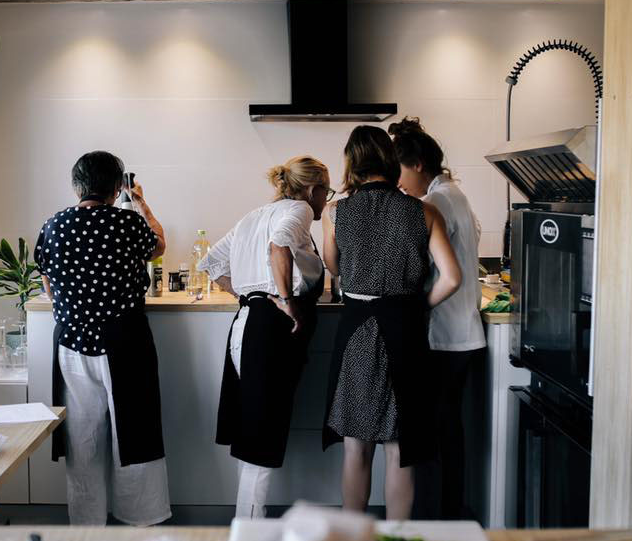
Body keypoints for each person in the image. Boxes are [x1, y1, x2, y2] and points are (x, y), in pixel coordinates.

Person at [321, 126, 462, 520]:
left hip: (357, 334)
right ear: (388, 159)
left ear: (351, 162)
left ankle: (354, 540)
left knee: (356, 445)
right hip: (406, 335)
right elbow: (452, 278)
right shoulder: (424, 210)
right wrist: (418, 308)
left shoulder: (335, 213)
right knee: (401, 449)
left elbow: (336, 269)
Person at [34, 150, 170, 526]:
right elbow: (159, 246)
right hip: (124, 340)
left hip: (73, 344)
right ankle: (138, 523)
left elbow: (47, 284)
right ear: (116, 187)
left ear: (76, 186)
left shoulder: (53, 225)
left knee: (83, 441)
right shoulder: (127, 222)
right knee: (134, 436)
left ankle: (87, 528)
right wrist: (141, 201)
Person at [198, 156, 332, 519]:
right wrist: (285, 301)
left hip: (247, 322)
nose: (325, 200)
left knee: (254, 432)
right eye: (326, 191)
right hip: (269, 330)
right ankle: (249, 536)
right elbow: (279, 246)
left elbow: (210, 264)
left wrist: (251, 294)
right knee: (263, 437)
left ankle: (247, 526)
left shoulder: (252, 215)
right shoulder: (300, 210)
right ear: (311, 188)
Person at [390, 117, 487, 519]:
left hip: (445, 334)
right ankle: (448, 511)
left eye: (398, 173)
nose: (397, 183)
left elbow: (443, 272)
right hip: (461, 333)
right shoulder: (452, 193)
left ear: (415, 165)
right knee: (448, 429)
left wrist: (419, 306)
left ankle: (438, 517)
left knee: (435, 432)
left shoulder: (436, 202)